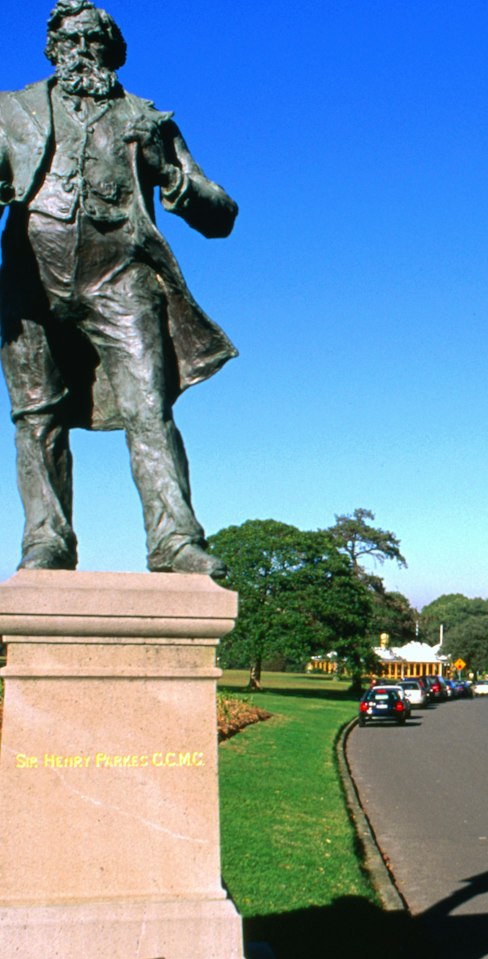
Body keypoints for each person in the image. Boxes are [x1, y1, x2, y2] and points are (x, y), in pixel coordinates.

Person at [0, 0, 237, 577]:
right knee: (37, 415)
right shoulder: (11, 111)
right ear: (53, 49)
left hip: (121, 276)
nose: (84, 52)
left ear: (116, 51)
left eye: (96, 42)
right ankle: (47, 541)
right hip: (33, 276)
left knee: (149, 410)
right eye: (73, 41)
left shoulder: (147, 119)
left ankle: (175, 541)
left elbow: (221, 214)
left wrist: (173, 175)